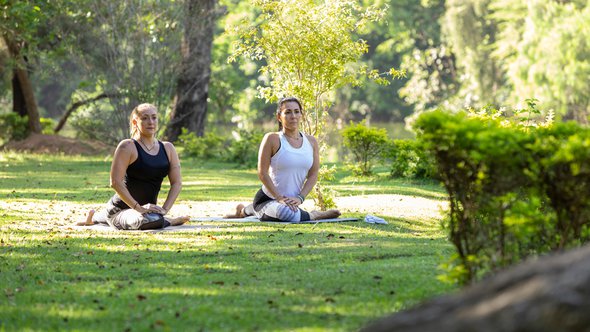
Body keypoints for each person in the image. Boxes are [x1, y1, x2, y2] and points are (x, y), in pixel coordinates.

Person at [226, 97, 341, 222]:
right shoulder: (272, 139)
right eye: (288, 112)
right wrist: (279, 198)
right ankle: (314, 215)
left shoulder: (311, 142)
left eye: (297, 111)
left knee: (287, 210)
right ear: (279, 117)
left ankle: (243, 210)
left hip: (292, 202)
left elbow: (313, 175)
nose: (293, 116)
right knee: (286, 213)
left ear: (302, 115)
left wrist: (300, 198)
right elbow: (262, 173)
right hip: (268, 199)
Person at [76, 103, 189, 230]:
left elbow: (177, 183)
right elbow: (115, 182)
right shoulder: (127, 146)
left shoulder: (168, 148)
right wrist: (138, 208)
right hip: (119, 209)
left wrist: (164, 210)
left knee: (153, 217)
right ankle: (169, 221)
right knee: (149, 220)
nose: (150, 122)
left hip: (147, 210)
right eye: (144, 118)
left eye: (154, 117)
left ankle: (93, 218)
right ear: (135, 122)